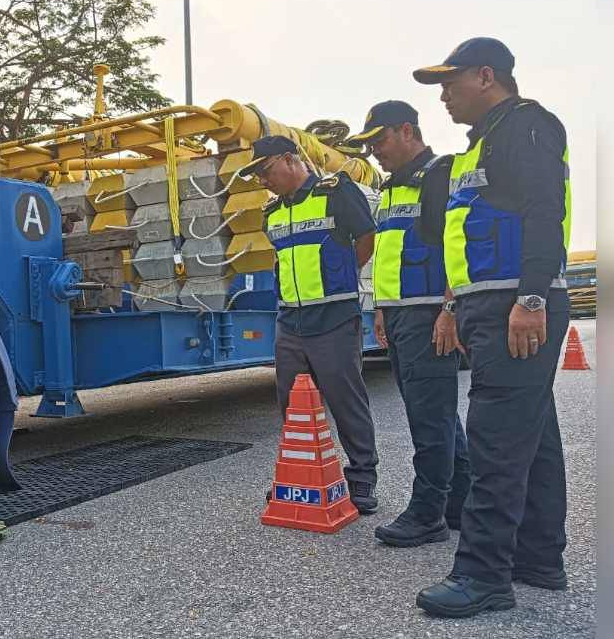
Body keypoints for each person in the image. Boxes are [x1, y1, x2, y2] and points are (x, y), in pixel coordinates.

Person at [410, 37, 572, 618]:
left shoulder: (527, 127)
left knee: (495, 442)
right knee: (533, 436)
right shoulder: (478, 147)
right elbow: (452, 236)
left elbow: (543, 213)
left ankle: (482, 576)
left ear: (486, 76)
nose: (445, 96)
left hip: (516, 305)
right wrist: (455, 305)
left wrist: (531, 298)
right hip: (490, 305)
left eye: (450, 83)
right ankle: (537, 558)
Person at [345, 101, 472, 547]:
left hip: (429, 313)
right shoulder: (393, 186)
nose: (374, 151)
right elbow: (392, 254)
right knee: (437, 413)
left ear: (406, 131)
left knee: (428, 416)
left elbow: (460, 246)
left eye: (379, 141)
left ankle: (427, 514)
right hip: (400, 313)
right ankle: (458, 502)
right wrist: (382, 307)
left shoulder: (439, 174)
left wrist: (450, 310)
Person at [239, 135, 380, 514]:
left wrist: (343, 276)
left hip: (334, 317)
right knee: (293, 404)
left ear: (290, 159)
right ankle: (298, 475)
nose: (263, 181)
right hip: (291, 321)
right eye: (257, 177)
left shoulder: (335, 192)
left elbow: (366, 237)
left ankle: (362, 477)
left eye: (265, 171)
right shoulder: (272, 211)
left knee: (345, 400)